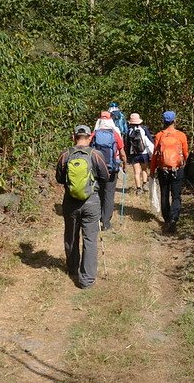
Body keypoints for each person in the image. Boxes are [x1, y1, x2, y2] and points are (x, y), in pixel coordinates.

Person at [56, 125, 110, 288]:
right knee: (90, 239)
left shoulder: (65, 155)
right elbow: (105, 176)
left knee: (71, 236)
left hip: (70, 202)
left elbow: (59, 178)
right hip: (91, 202)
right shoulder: (95, 154)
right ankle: (86, 280)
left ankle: (72, 269)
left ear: (74, 136)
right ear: (90, 136)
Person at [150, 111, 189, 233]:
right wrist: (183, 164)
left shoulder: (159, 136)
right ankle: (174, 219)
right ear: (174, 121)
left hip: (163, 169)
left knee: (164, 194)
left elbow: (155, 155)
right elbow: (186, 153)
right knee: (176, 196)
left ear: (164, 121)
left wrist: (152, 170)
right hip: (177, 169)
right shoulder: (181, 135)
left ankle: (167, 220)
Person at [91, 111, 127, 231]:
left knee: (98, 192)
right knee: (109, 194)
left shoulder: (94, 134)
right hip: (112, 169)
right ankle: (106, 222)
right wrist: (125, 164)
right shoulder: (115, 134)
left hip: (97, 168)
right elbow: (122, 152)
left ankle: (98, 218)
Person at [125, 113, 154, 194]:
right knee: (144, 169)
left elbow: (127, 144)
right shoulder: (144, 129)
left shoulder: (129, 131)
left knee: (136, 172)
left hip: (134, 154)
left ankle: (138, 188)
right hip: (143, 153)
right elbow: (150, 140)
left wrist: (128, 156)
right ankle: (145, 184)